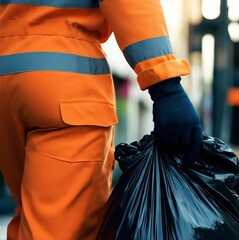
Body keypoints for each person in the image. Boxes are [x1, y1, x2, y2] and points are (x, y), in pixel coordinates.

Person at [0, 0, 203, 239]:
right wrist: (166, 86)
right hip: (66, 86)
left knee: (31, 215)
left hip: (6, 72)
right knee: (59, 228)